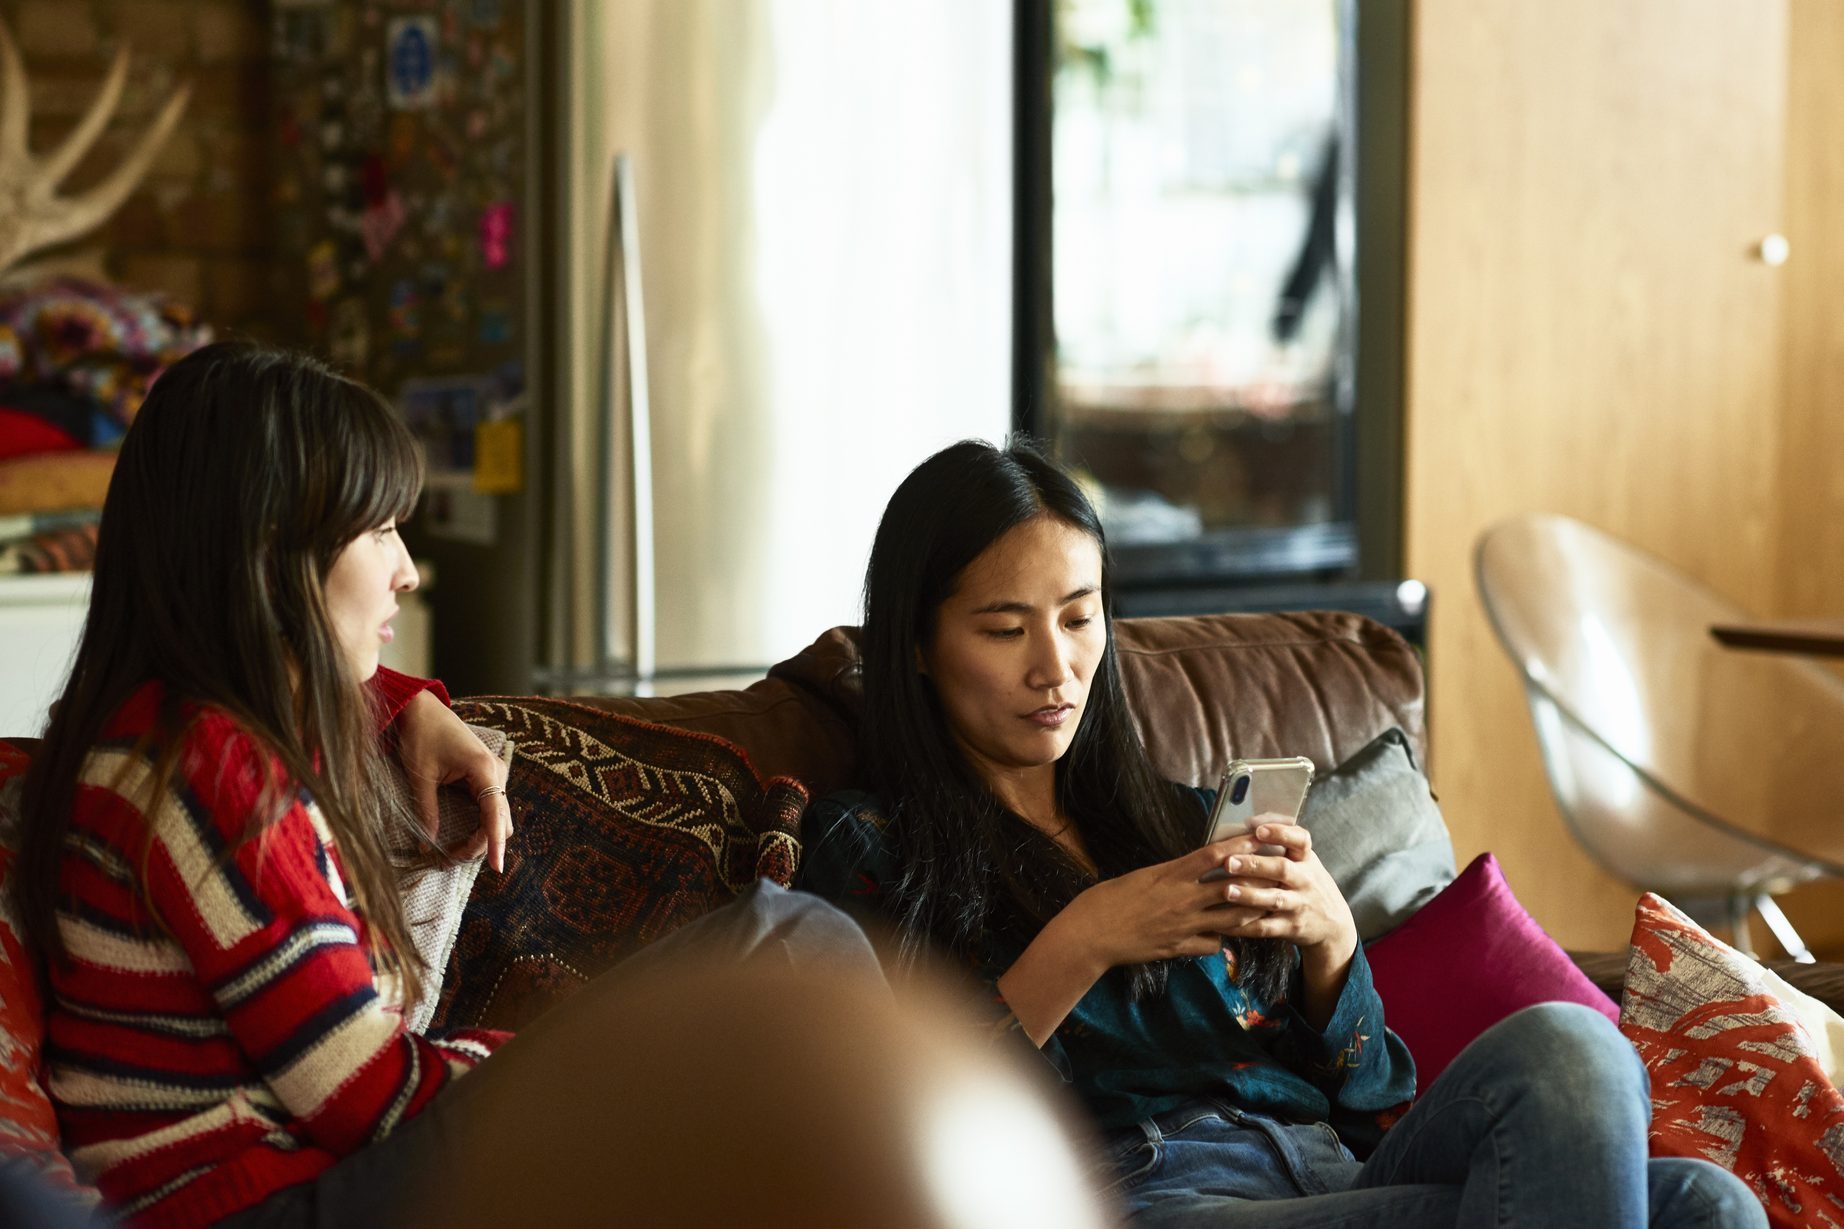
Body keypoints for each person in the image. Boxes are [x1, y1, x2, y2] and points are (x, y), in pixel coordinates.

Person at [18, 343, 1090, 1229]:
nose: (407, 567)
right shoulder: (213, 767)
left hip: (281, 1185)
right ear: (271, 555)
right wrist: (586, 1056)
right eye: (378, 528)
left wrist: (408, 701)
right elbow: (365, 1097)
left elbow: (350, 691)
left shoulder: (162, 730)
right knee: (785, 942)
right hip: (253, 1206)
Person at [797, 438, 1766, 1228]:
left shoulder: (1171, 819)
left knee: (1638, 1121)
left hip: (1332, 1169)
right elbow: (917, 1122)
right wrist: (1086, 934)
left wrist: (1329, 942)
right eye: (1004, 630)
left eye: (1079, 617)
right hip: (1151, 1192)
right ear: (918, 647)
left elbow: (1371, 1090)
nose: (1055, 666)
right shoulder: (871, 847)